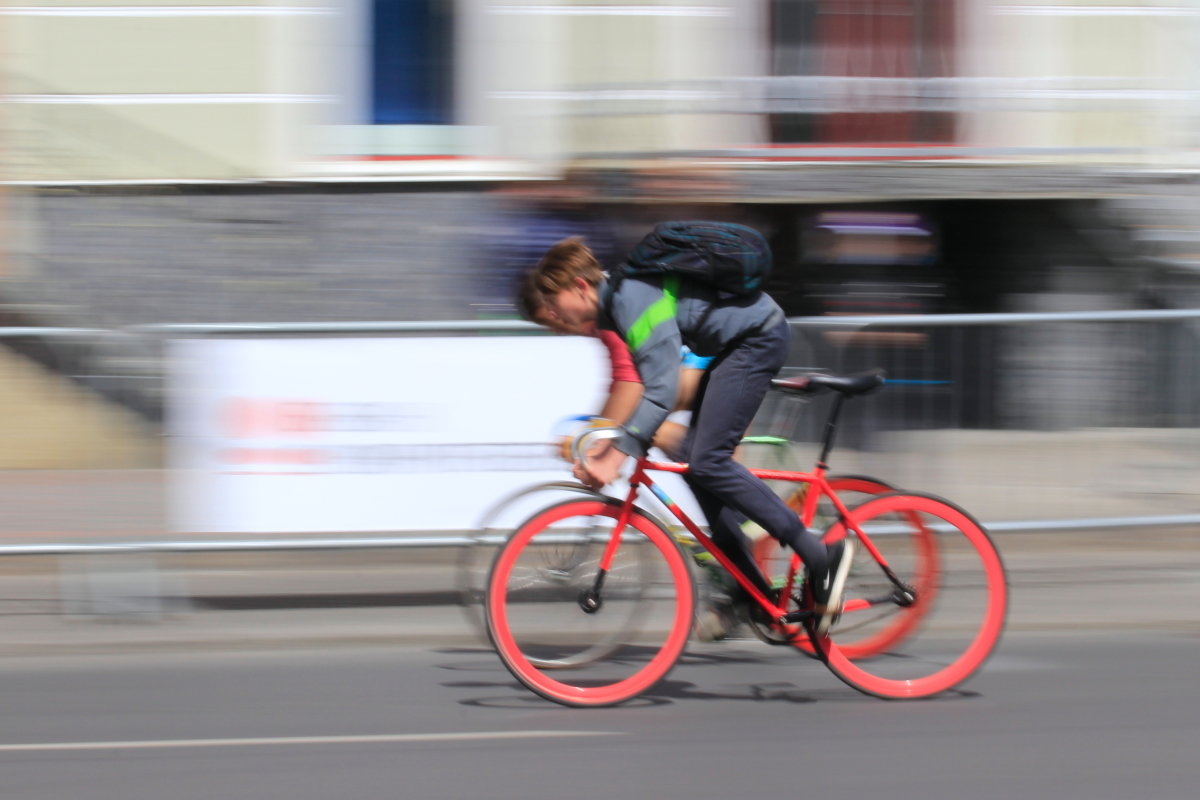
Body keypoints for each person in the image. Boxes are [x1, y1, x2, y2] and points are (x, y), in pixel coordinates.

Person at [525, 232, 854, 636]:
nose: (556, 320)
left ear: (579, 287)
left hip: (755, 341)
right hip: (731, 349)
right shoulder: (617, 307)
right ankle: (747, 589)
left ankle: (819, 554)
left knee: (708, 460)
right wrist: (618, 443)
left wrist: (614, 454)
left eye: (555, 306)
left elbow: (659, 389)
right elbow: (651, 388)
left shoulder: (630, 298)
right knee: (697, 468)